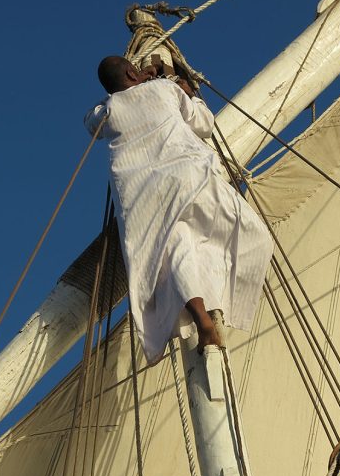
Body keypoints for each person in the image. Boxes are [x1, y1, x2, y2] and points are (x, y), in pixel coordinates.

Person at [85, 55, 273, 364]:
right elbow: (205, 124)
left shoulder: (108, 111)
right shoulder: (165, 89)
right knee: (251, 234)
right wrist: (187, 91)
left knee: (177, 254)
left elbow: (90, 121)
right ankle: (227, 304)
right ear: (133, 72)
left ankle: (202, 320)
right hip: (191, 181)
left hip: (145, 202)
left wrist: (135, 81)